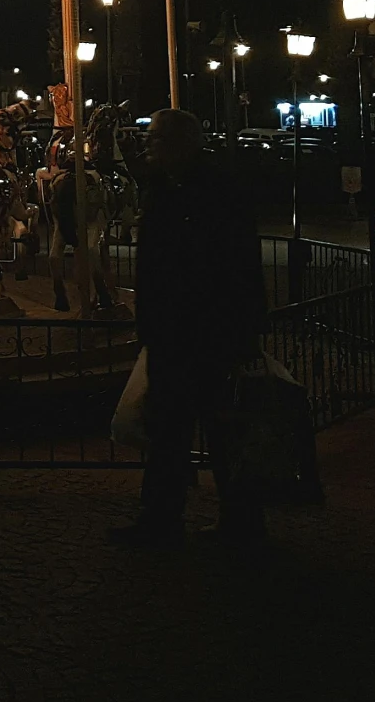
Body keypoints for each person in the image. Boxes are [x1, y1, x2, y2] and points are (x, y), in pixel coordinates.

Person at [111, 108, 267, 548]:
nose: (148, 147)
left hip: (210, 330)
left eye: (156, 140)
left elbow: (240, 263)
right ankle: (162, 515)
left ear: (180, 144)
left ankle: (239, 520)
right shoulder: (162, 189)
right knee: (168, 431)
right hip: (170, 332)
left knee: (222, 430)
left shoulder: (217, 192)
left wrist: (244, 327)